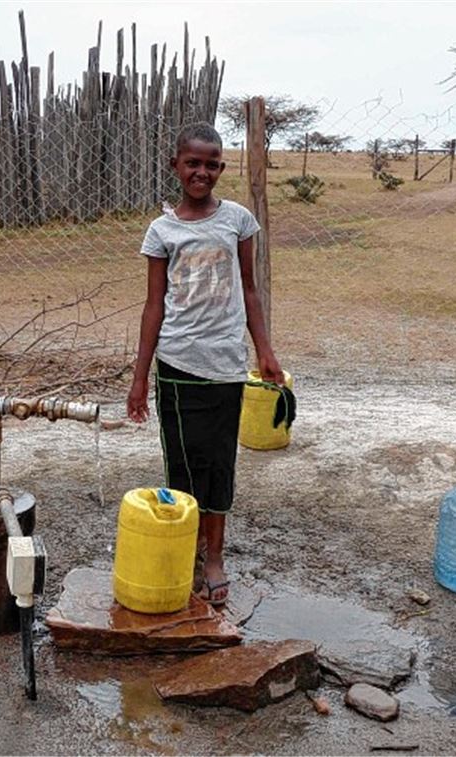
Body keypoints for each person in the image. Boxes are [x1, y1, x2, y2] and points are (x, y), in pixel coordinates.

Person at [126, 122, 283, 607]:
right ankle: (186, 550)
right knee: (181, 467)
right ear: (175, 165)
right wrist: (138, 378)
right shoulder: (162, 231)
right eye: (192, 163)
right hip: (175, 367)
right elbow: (154, 305)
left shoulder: (237, 220)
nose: (202, 172)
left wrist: (265, 351)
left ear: (221, 167)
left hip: (226, 368)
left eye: (212, 164)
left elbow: (250, 291)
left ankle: (214, 557)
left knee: (218, 465)